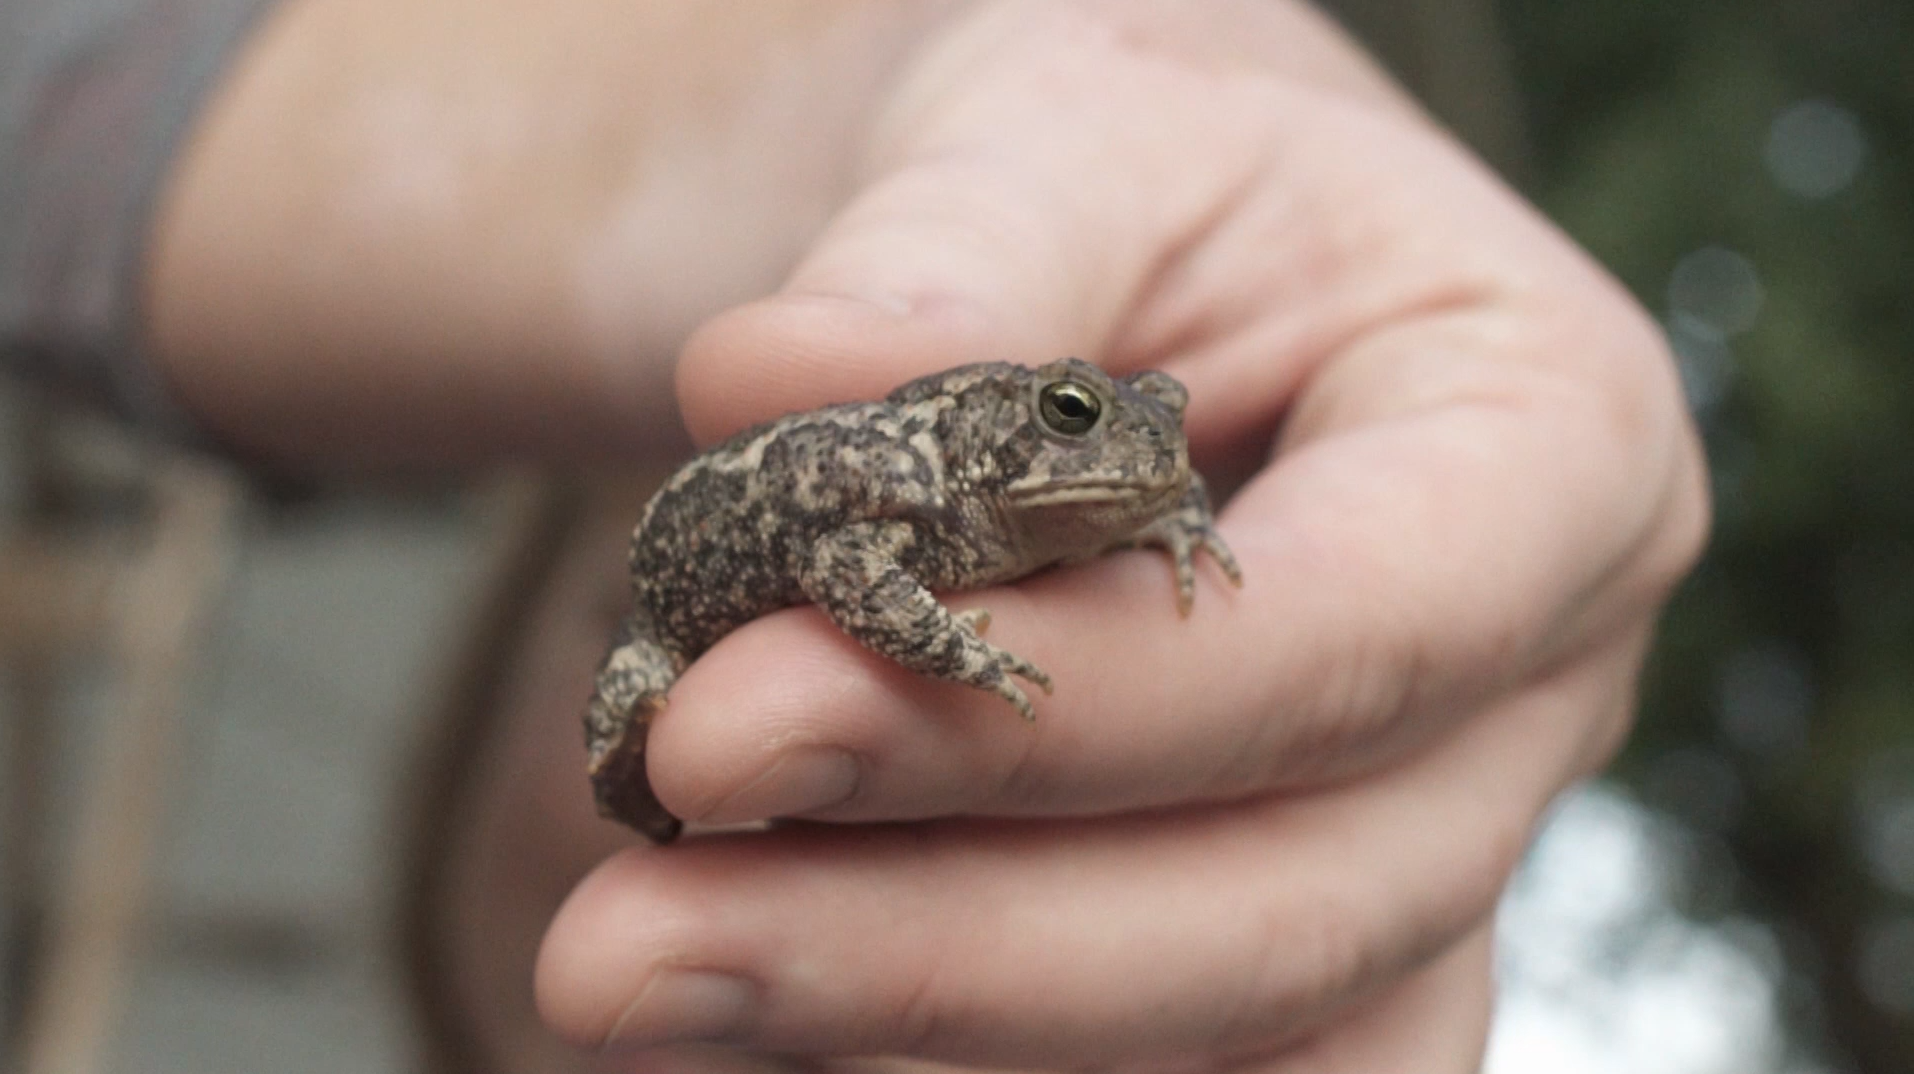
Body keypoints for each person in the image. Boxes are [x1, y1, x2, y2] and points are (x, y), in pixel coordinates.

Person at [3, 1, 1710, 1070]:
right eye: (1069, 415)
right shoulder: (899, 471)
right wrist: (855, 70)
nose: (798, 838)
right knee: (648, 711)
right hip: (719, 587)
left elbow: (1142, 466)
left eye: (1141, 830)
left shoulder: (1086, 488)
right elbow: (836, 570)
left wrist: (1170, 510)